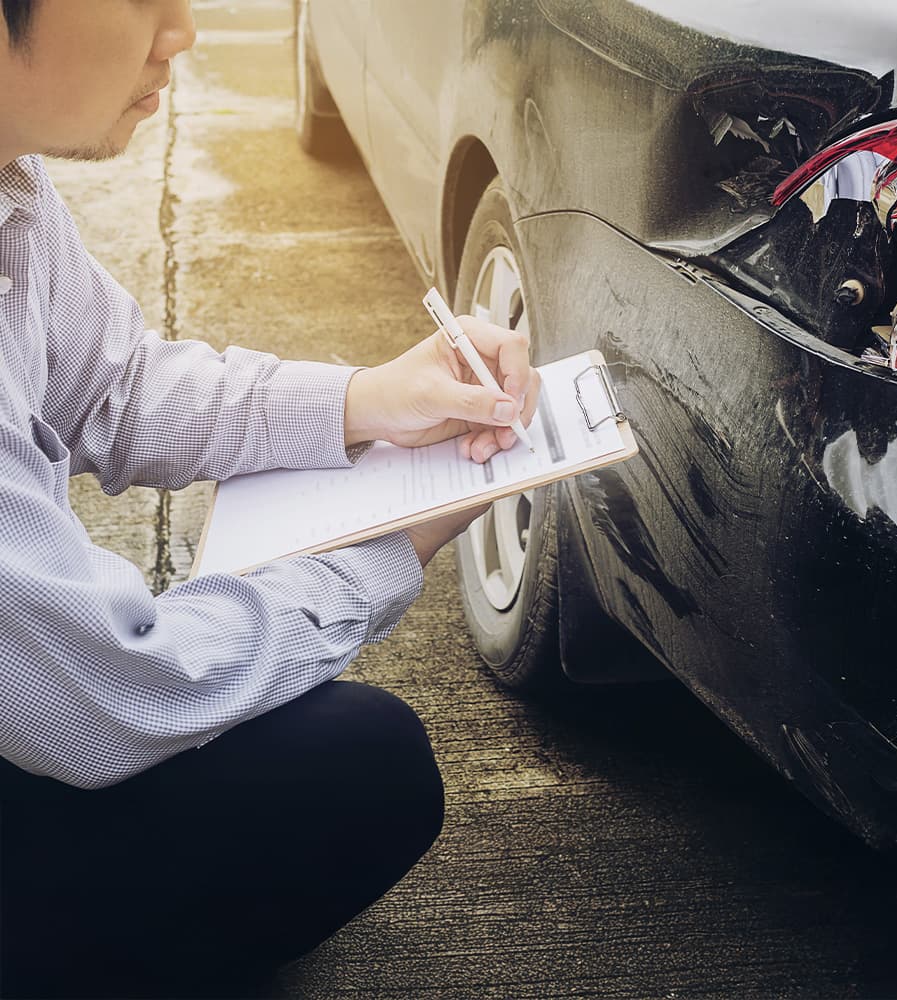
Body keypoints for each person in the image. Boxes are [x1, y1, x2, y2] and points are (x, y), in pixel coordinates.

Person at [0, 1, 541, 996]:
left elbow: (119, 388)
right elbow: (108, 693)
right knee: (357, 771)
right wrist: (383, 544)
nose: (181, 28)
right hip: (62, 705)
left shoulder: (12, 184)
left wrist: (372, 397)